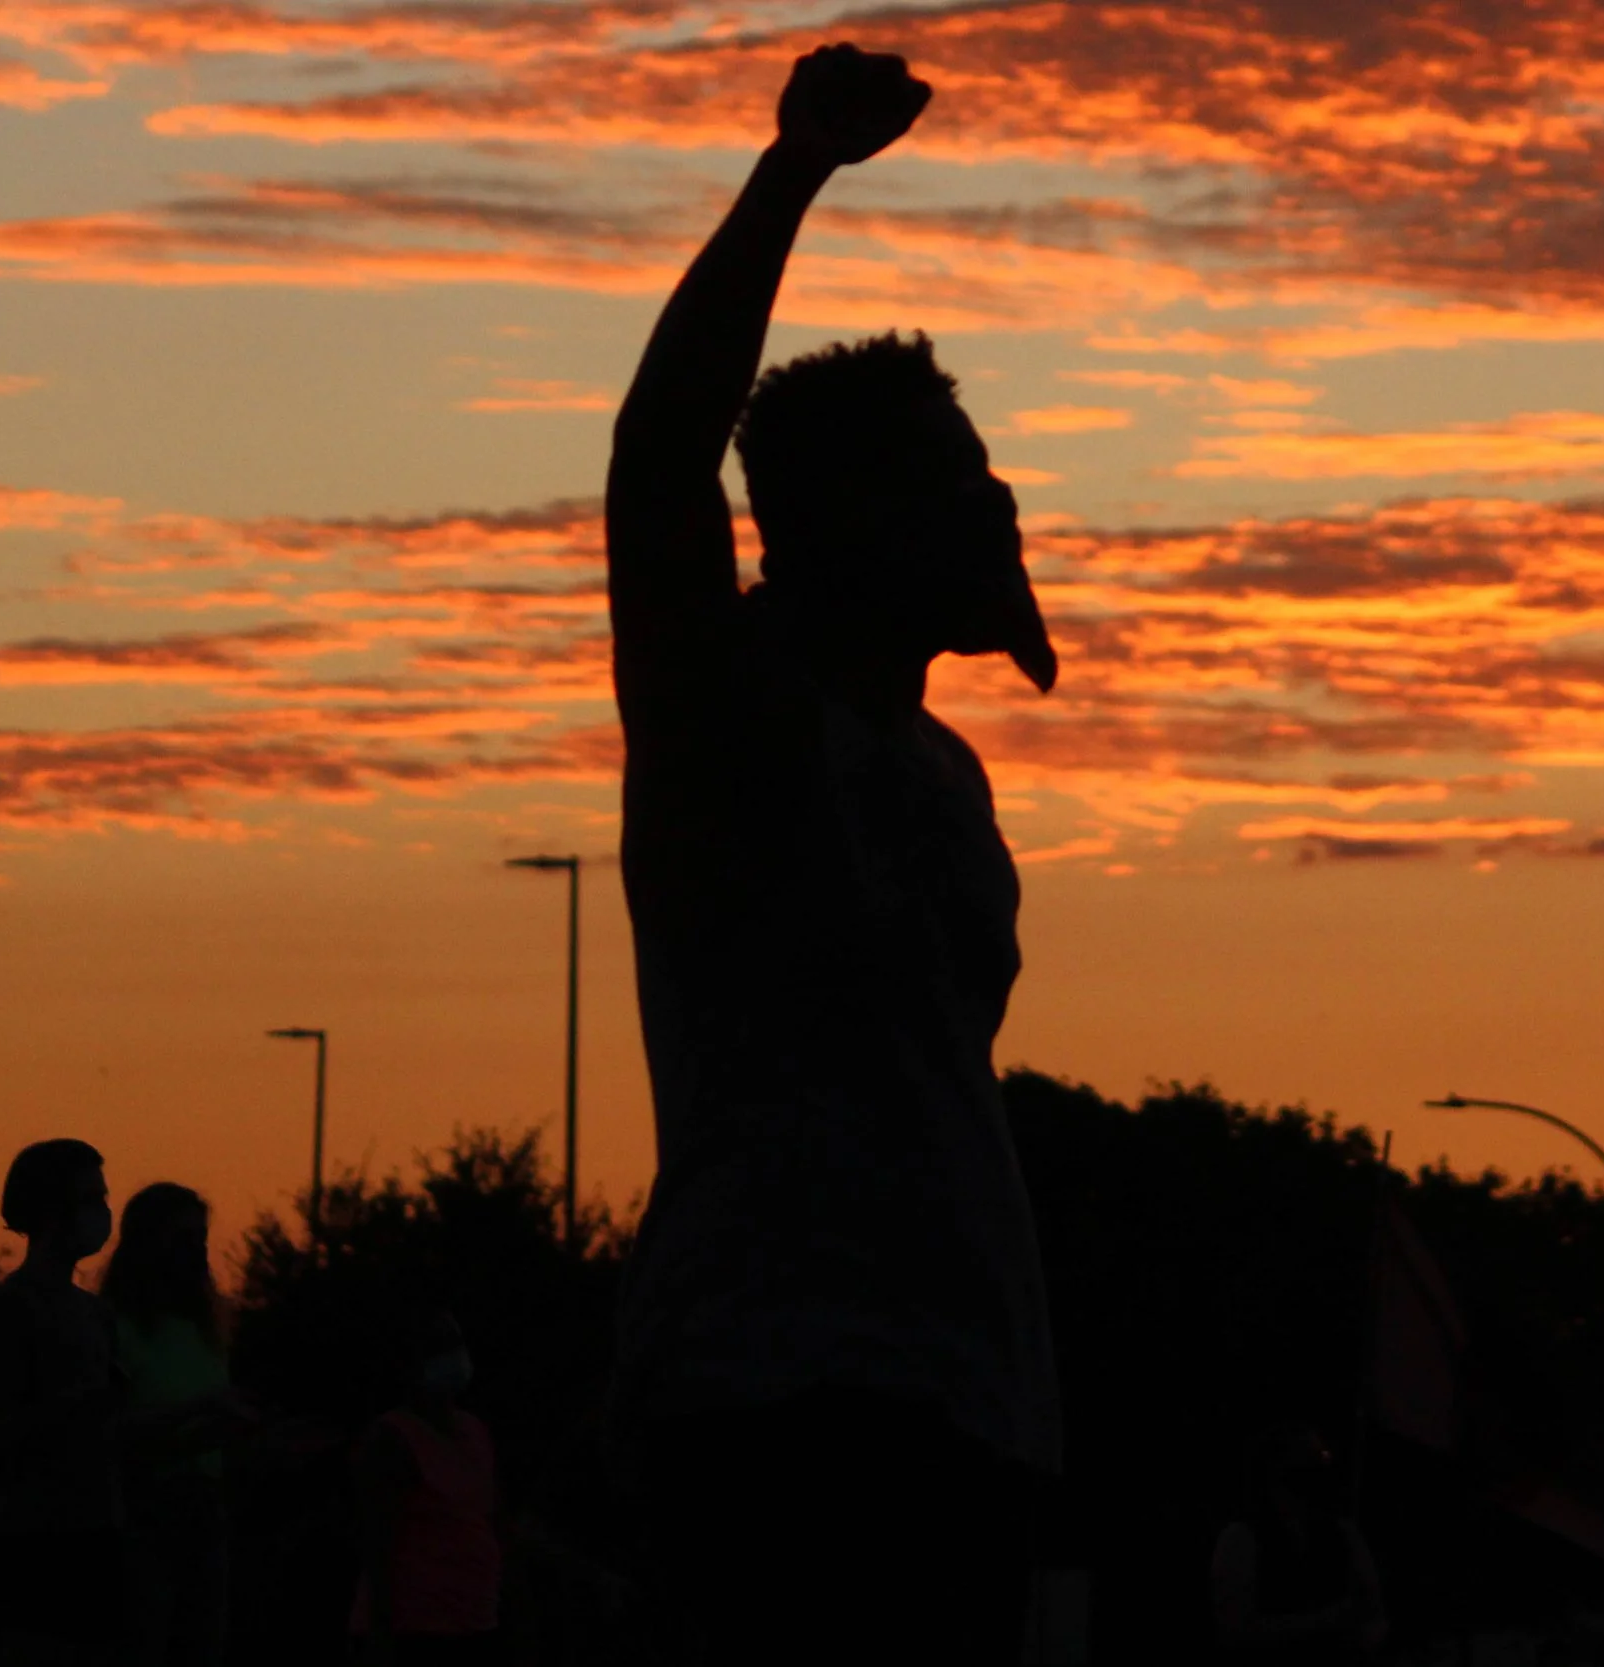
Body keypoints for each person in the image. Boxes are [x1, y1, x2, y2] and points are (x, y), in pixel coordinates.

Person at [604, 40, 1061, 1666]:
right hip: (774, 1398)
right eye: (952, 478)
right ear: (858, 523)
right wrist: (793, 168)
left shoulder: (940, 772)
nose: (998, 503)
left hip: (967, 1401)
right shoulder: (736, 715)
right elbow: (662, 459)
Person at [0, 1138, 125, 1667]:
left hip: (98, 1532)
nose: (102, 1211)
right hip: (36, 1541)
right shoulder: (9, 1310)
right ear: (50, 1210)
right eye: (90, 1198)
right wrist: (81, 1404)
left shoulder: (96, 1314)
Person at [103, 1182, 251, 1667]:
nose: (197, 1252)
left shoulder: (204, 1328)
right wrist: (201, 1415)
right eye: (183, 1239)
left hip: (206, 1512)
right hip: (145, 1515)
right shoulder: (114, 1328)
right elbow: (111, 1434)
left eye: (201, 1239)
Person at [351, 1309, 503, 1666]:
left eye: (456, 1344)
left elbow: (494, 1523)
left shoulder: (475, 1431)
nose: (453, 1357)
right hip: (416, 1631)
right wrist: (380, 1633)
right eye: (438, 1348)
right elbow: (375, 1542)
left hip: (477, 1623)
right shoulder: (391, 1438)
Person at [1209, 1425, 1389, 1662]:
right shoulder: (1241, 1538)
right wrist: (1331, 1620)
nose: (1321, 1466)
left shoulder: (1343, 1533)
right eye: (1309, 1459)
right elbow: (1234, 1633)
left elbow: (1371, 1610)